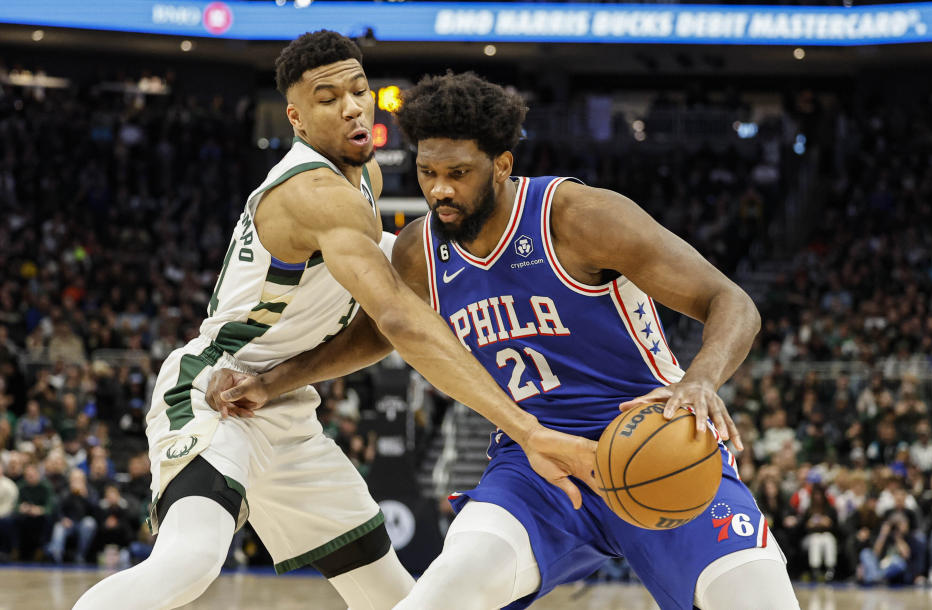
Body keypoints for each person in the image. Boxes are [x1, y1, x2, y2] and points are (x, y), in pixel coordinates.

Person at [207, 72, 796, 609]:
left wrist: (699, 379)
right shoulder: (420, 251)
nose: (440, 191)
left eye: (458, 174)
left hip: (653, 444)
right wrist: (271, 381)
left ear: (503, 165)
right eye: (427, 173)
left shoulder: (578, 217)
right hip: (534, 466)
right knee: (440, 595)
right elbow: (378, 332)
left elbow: (731, 302)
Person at [72, 32, 595, 610]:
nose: (351, 106)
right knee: (188, 562)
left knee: (391, 595)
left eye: (359, 90)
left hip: (282, 401)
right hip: (216, 390)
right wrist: (527, 428)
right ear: (295, 117)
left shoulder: (363, 178)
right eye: (328, 98)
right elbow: (394, 315)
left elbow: (387, 287)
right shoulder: (314, 192)